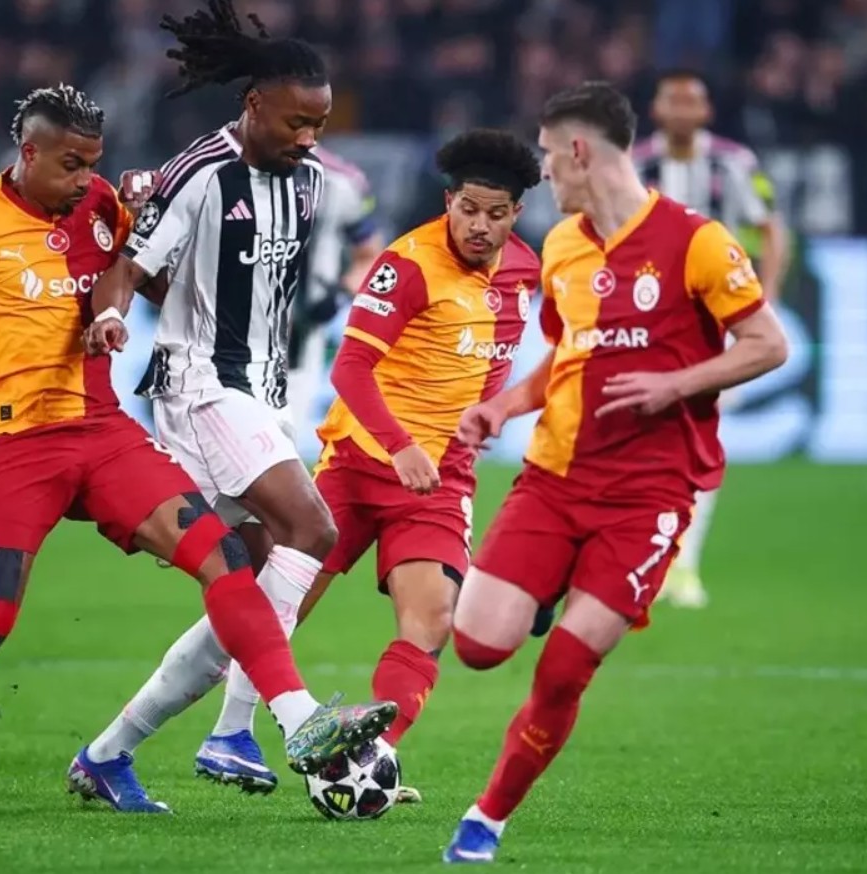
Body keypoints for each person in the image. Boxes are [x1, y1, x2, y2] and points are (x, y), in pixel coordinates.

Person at [0, 84, 396, 815]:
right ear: (29, 153)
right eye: (72, 164)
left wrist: (137, 256)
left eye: (94, 163)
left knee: (227, 557)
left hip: (102, 432)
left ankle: (296, 720)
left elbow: (149, 282)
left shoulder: (102, 207)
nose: (87, 180)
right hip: (13, 445)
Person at [442, 81, 789, 864]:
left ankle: (486, 819)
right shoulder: (563, 245)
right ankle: (551, 587)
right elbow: (566, 358)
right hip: (553, 479)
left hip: (647, 495)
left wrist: (676, 384)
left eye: (545, 153)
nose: (540, 171)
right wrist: (503, 406)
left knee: (564, 671)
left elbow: (768, 344)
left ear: (577, 151)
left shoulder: (697, 241)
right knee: (477, 646)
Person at [195, 129, 545, 804]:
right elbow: (350, 368)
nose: (479, 225)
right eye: (468, 209)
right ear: (448, 202)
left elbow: (517, 363)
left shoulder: (524, 270)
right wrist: (400, 444)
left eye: (495, 213)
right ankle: (230, 732)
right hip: (359, 464)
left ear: (516, 214)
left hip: (440, 477)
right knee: (277, 608)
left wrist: (494, 415)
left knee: (431, 619)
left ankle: (370, 761)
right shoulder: (406, 264)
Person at [74, 0, 355, 808]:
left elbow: (220, 280)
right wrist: (109, 315)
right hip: (200, 385)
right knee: (314, 531)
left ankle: (107, 753)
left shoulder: (309, 183)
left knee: (254, 587)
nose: (309, 137)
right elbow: (130, 267)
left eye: (320, 123)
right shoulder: (200, 171)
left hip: (259, 391)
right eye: (296, 122)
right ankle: (243, 730)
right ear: (253, 104)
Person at [633, 68, 791, 608]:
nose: (681, 110)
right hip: (648, 322)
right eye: (672, 100)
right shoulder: (635, 165)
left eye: (691, 102)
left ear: (705, 111)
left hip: (715, 321)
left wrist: (764, 299)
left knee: (698, 436)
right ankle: (648, 554)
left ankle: (682, 564)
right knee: (643, 440)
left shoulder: (734, 162)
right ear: (657, 110)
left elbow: (771, 229)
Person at [285, 145, 384, 452]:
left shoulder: (341, 182)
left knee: (282, 439)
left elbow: (370, 254)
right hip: (233, 330)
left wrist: (338, 292)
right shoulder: (226, 168)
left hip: (303, 333)